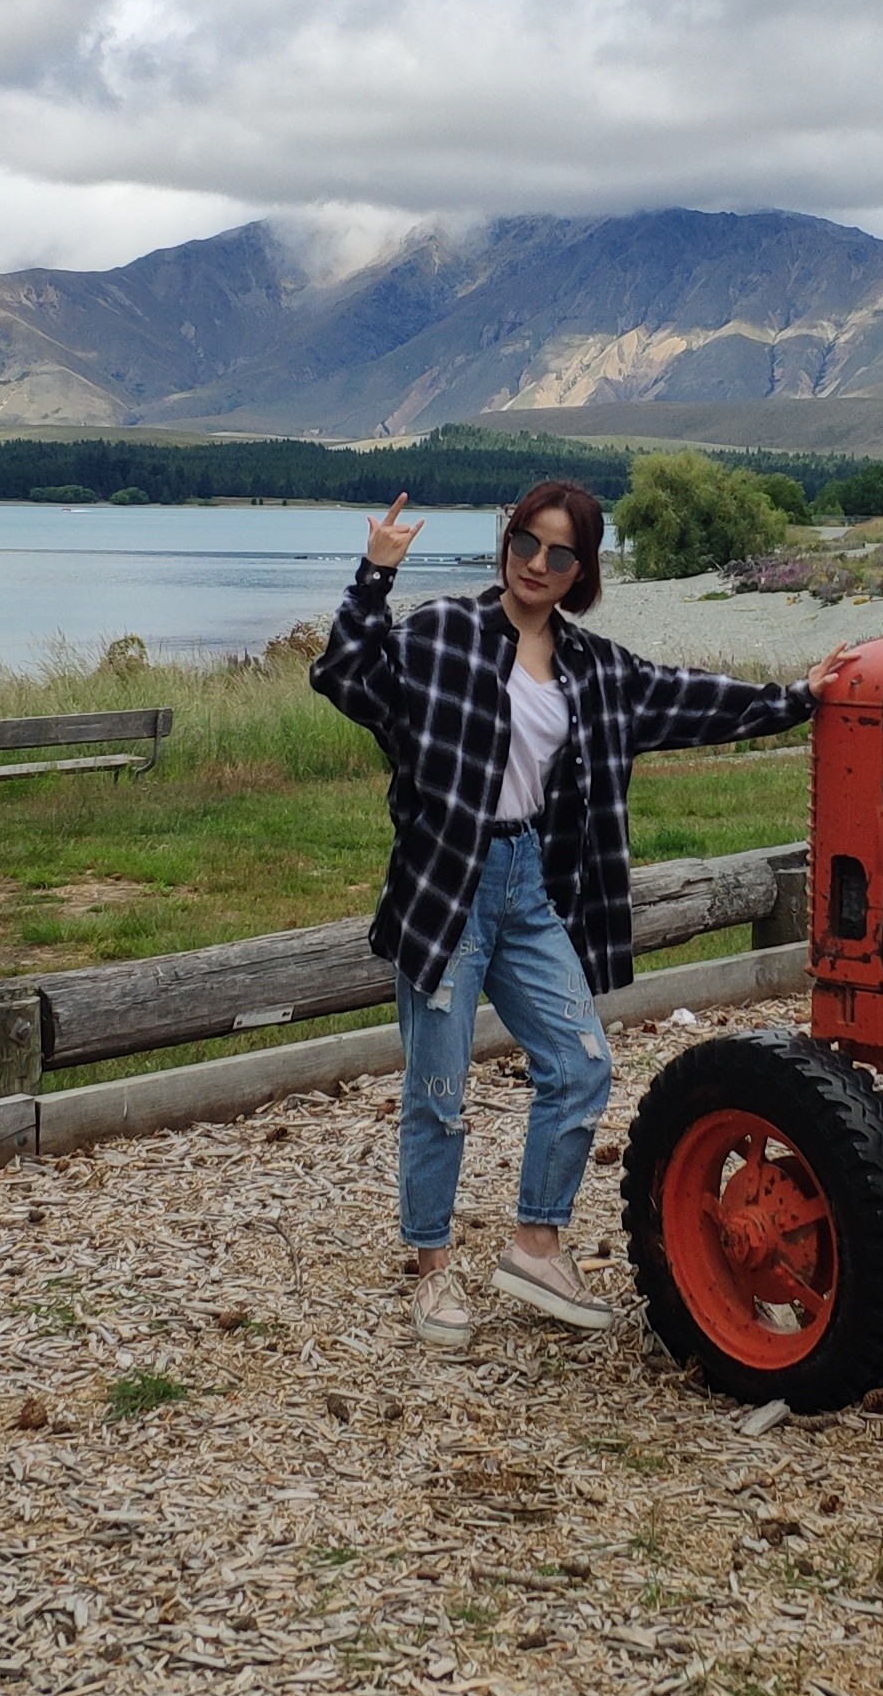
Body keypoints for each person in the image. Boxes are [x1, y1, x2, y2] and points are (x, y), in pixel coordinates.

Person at [308, 477, 817, 1346]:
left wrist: (803, 696)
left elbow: (694, 700)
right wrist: (373, 575)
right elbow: (343, 675)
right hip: (448, 890)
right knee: (439, 1090)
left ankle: (536, 1243)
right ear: (506, 544)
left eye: (559, 552)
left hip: (530, 888)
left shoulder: (594, 667)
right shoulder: (445, 633)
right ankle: (432, 1270)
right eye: (525, 543)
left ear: (581, 568)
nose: (537, 564)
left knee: (582, 1065)